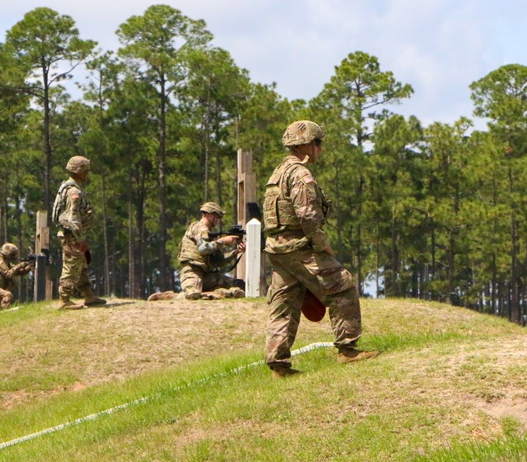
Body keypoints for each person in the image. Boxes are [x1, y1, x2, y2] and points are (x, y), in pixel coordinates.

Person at [262, 120, 377, 378]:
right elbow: (307, 215)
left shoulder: (277, 173)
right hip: (300, 246)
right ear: (305, 145)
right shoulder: (300, 174)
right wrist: (321, 244)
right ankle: (348, 350)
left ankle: (279, 366)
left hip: (278, 250)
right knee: (342, 286)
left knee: (284, 302)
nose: (320, 149)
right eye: (317, 143)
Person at [149, 202, 246, 301]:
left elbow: (218, 261)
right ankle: (167, 297)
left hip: (206, 275)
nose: (218, 219)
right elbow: (203, 249)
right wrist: (222, 241)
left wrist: (236, 252)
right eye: (217, 215)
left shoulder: (209, 235)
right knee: (192, 295)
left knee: (238, 285)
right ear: (208, 214)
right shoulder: (199, 227)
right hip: (192, 271)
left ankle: (216, 294)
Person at [53, 155, 106, 309]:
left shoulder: (68, 187)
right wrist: (80, 239)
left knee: (81, 265)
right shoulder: (73, 192)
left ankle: (89, 295)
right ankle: (64, 299)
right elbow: (73, 217)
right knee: (71, 266)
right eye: (86, 171)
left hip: (73, 235)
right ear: (81, 172)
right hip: (72, 236)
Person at [0, 243, 34, 309]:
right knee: (7, 295)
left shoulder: (6, 262)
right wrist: (20, 265)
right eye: (12, 255)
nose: (14, 257)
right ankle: (5, 312)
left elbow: (20, 272)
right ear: (7, 253)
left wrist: (29, 267)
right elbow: (8, 274)